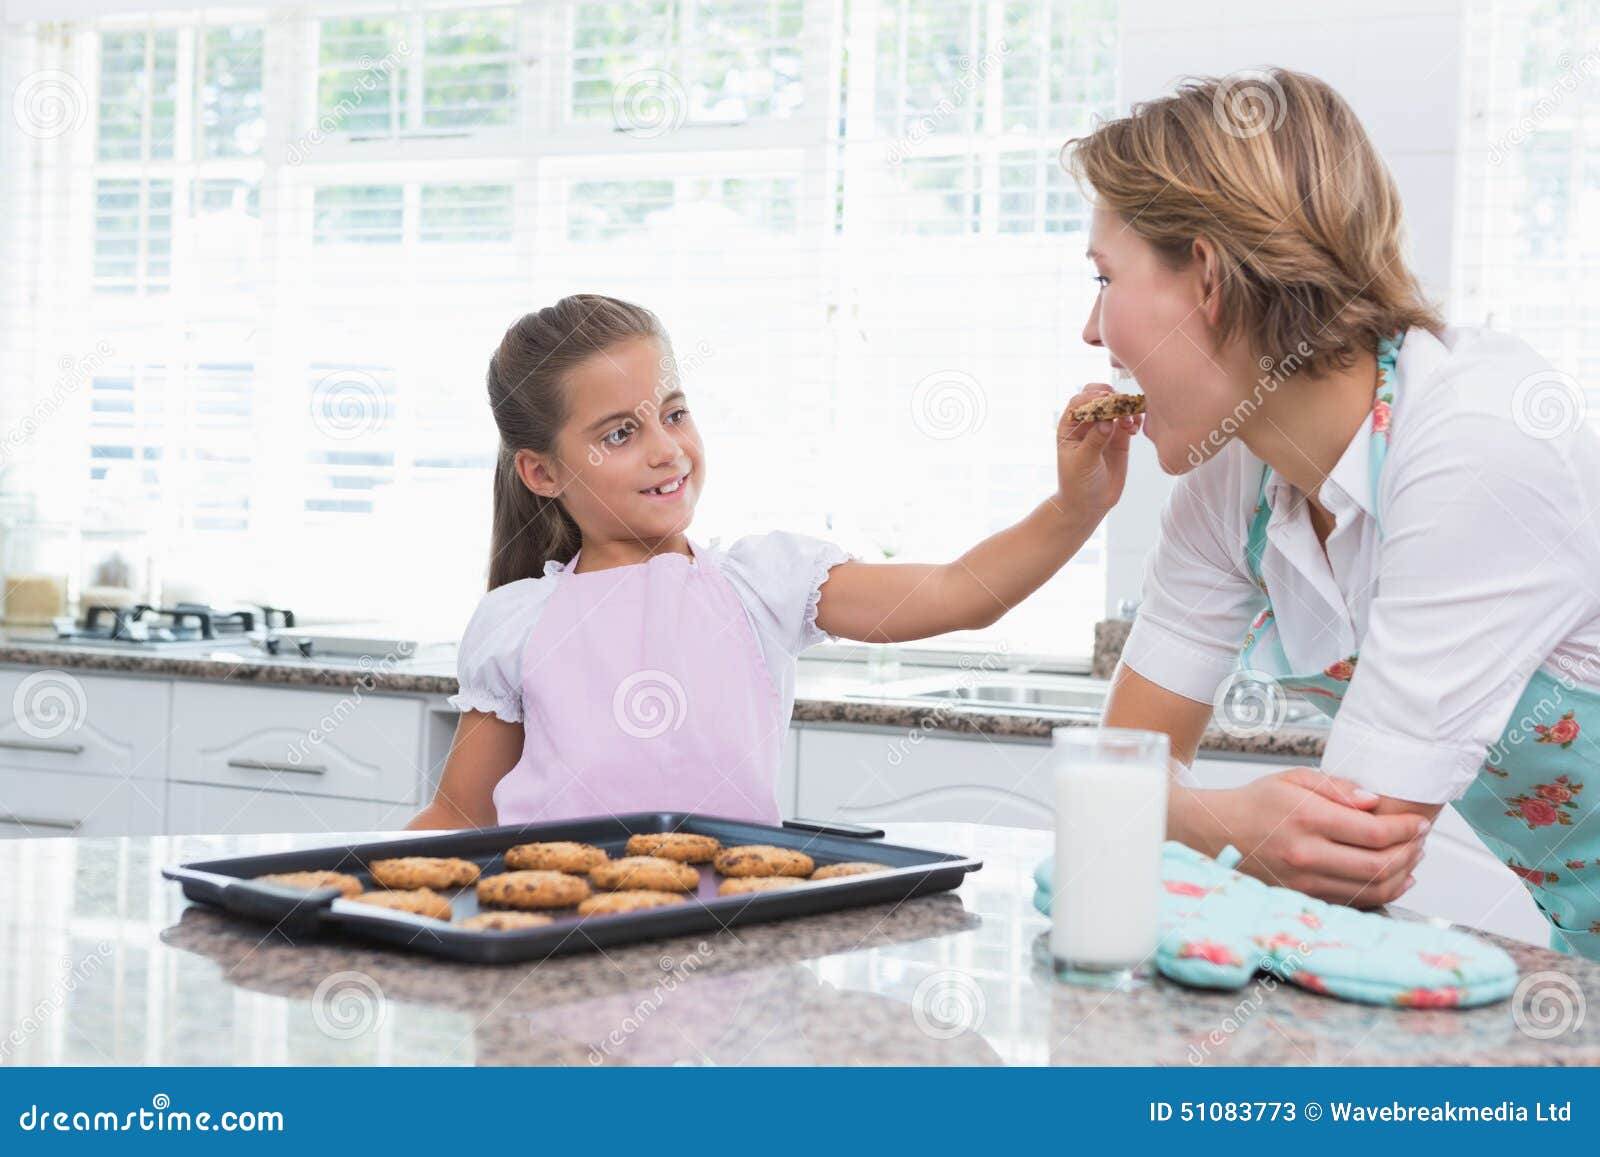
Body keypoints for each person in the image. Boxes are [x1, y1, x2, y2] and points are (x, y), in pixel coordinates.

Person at [1073, 69, 1600, 957]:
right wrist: (1220, 816)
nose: (1092, 332)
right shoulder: (1236, 473)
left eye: (1103, 278)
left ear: (1207, 276)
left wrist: (1184, 816)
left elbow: (1355, 854)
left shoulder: (1479, 443)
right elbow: (1112, 771)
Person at [408, 294, 1137, 829]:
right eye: (621, 432)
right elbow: (457, 813)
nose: (666, 449)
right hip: (554, 958)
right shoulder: (517, 621)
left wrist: (1076, 508)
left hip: (726, 953)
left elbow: (959, 592)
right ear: (541, 472)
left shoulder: (763, 582)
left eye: (674, 413)